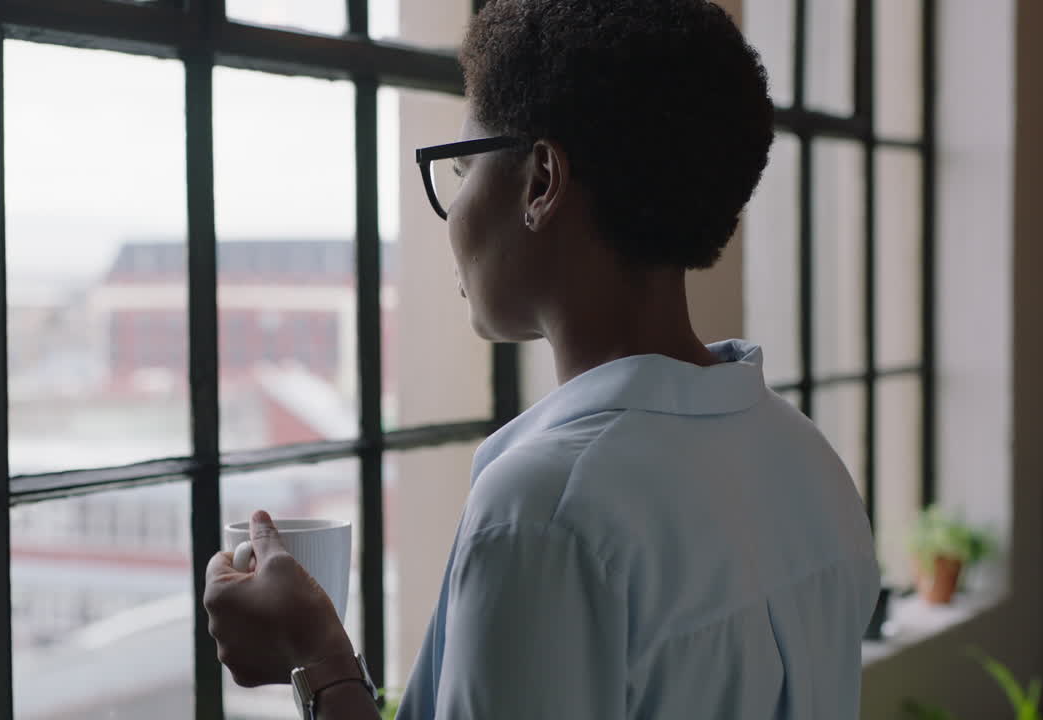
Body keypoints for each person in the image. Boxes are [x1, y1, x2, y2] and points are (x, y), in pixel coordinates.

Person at [203, 0, 881, 717]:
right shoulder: (808, 460)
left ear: (540, 181)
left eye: (463, 168)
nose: (454, 211)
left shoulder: (542, 515)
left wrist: (317, 657)